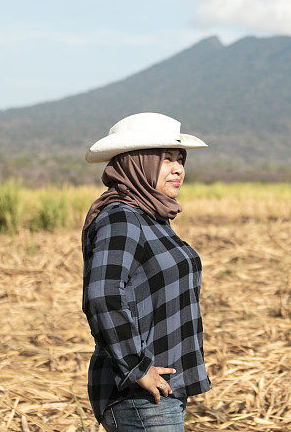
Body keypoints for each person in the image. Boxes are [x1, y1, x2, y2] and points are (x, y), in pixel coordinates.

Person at [81, 112, 212, 431]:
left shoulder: (152, 219)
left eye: (180, 159)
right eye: (166, 159)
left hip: (163, 391)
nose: (179, 168)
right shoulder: (121, 217)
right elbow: (103, 297)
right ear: (139, 163)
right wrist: (137, 368)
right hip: (138, 394)